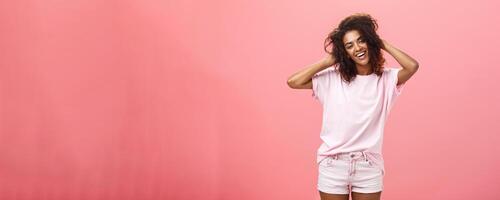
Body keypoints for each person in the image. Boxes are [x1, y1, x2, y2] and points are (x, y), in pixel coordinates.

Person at [286, 13, 419, 200]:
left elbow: (412, 66)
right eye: (349, 45)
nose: (357, 48)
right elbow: (293, 82)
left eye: (361, 40)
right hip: (333, 165)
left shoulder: (387, 80)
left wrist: (380, 42)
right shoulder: (332, 78)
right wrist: (328, 61)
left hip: (368, 165)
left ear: (369, 42)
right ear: (344, 52)